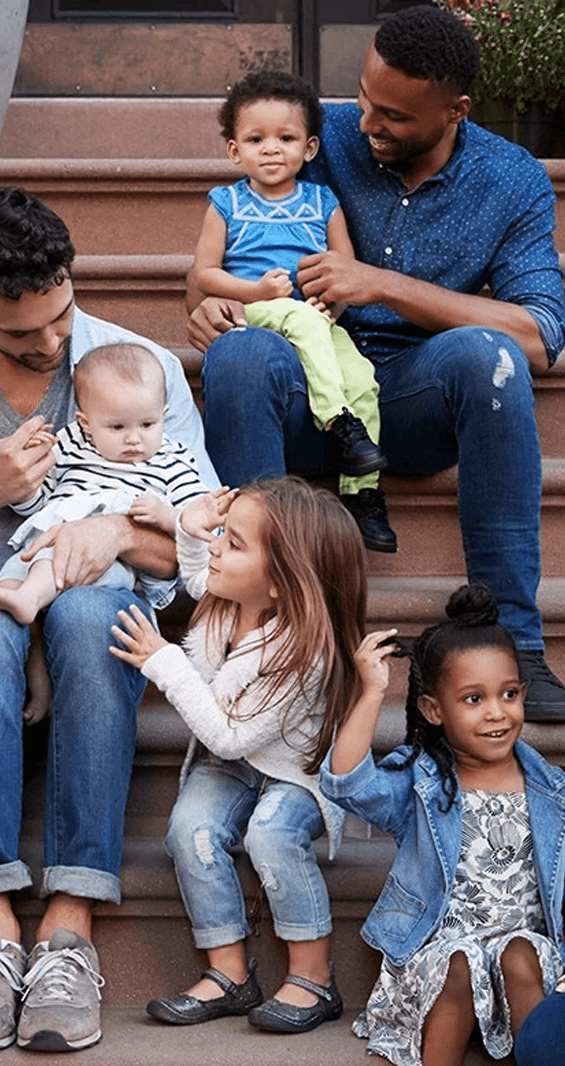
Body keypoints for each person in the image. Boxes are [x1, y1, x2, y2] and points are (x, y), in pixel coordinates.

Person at [0, 186, 218, 1053]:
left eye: (60, 315)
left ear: (70, 279)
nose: (51, 342)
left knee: (95, 608)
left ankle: (68, 928)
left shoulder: (143, 367)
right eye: (21, 332)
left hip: (93, 594)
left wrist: (113, 529)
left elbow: (201, 551)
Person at [189, 4, 565, 720]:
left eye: (392, 115)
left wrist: (382, 285)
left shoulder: (510, 180)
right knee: (240, 353)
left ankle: (512, 641)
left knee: (489, 358)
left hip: (409, 398)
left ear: (456, 110)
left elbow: (539, 334)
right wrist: (205, 302)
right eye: (363, 98)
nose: (366, 124)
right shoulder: (320, 132)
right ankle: (266, 638)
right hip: (306, 389)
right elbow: (219, 246)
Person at [110, 477, 365, 1035]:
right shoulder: (230, 598)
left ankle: (314, 977)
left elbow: (227, 734)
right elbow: (199, 569)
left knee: (270, 835)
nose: (217, 550)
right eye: (224, 534)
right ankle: (229, 972)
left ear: (279, 584)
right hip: (234, 764)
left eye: (235, 543)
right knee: (189, 830)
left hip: (294, 774)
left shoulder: (304, 656)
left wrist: (165, 665)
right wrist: (192, 528)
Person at [319, 583, 565, 1066]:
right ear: (433, 710)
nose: (497, 712)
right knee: (460, 962)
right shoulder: (421, 781)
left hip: (523, 955)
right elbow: (347, 784)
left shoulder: (549, 787)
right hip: (440, 960)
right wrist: (371, 690)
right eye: (473, 699)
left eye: (509, 694)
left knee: (522, 952)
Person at [193, 70, 395, 552]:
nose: (270, 149)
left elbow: (344, 268)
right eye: (255, 139)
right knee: (300, 318)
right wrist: (256, 290)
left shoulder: (323, 202)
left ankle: (362, 494)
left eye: (285, 138)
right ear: (234, 151)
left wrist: (334, 302)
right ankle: (339, 425)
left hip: (314, 320)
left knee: (361, 376)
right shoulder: (227, 204)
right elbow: (205, 273)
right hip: (256, 314)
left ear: (309, 148)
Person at [0, 342, 208, 724]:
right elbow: (36, 506)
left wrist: (165, 515)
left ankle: (30, 601)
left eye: (148, 424)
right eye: (117, 427)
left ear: (164, 415)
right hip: (43, 543)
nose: (134, 439)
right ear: (85, 422)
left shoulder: (172, 459)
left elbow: (197, 523)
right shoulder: (69, 446)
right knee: (13, 576)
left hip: (109, 564)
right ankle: (38, 672)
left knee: (36, 581)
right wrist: (29, 487)